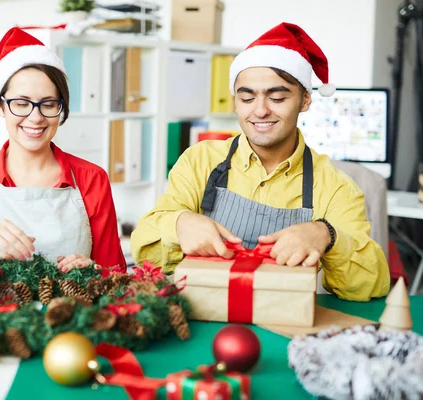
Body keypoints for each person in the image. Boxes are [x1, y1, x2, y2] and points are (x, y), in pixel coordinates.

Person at [130, 22, 390, 301]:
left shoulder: (337, 187)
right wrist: (179, 224)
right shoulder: (200, 161)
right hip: (203, 318)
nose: (260, 110)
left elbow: (372, 284)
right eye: (246, 97)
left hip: (285, 322)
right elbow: (144, 249)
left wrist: (327, 235)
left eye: (277, 97)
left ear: (305, 101)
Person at [0, 27, 126, 273]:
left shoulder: (92, 179)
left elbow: (116, 274)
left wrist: (94, 269)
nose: (36, 117)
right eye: (21, 104)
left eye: (48, 104)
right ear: (0, 106)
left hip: (71, 311)